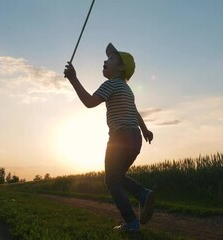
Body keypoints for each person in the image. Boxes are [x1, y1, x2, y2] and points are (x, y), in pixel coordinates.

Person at [63, 43, 155, 232]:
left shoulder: (111, 84)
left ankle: (131, 222)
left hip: (119, 138)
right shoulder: (127, 90)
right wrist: (145, 131)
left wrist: (73, 79)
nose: (106, 60)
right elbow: (135, 113)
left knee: (111, 181)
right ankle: (143, 195)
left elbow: (89, 102)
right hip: (135, 139)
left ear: (121, 68)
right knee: (117, 177)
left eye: (111, 59)